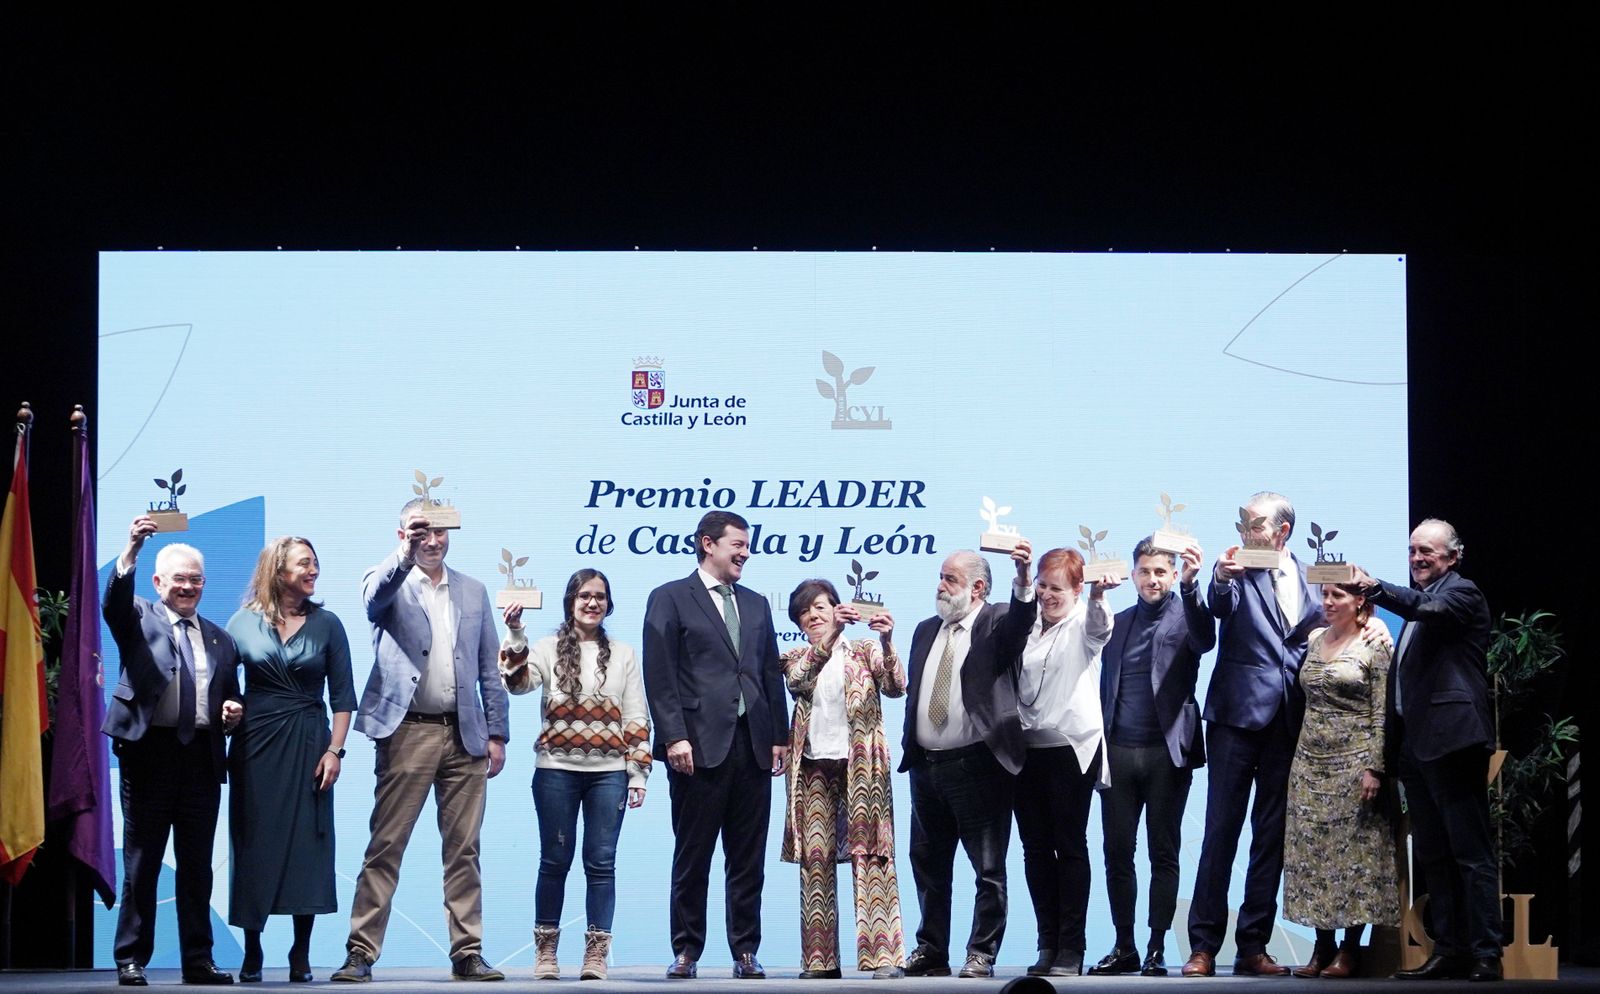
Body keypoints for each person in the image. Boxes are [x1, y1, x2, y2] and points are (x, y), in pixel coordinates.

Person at [330, 503, 510, 983]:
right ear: (404, 534)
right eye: (421, 533)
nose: (433, 541)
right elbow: (374, 599)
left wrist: (497, 732)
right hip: (406, 730)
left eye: (439, 533)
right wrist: (403, 552)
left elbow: (490, 668)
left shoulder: (473, 590)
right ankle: (360, 951)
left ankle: (467, 951)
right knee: (386, 844)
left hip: (465, 735)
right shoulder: (386, 578)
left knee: (464, 850)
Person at [642, 510, 789, 980]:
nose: (745, 552)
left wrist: (779, 737)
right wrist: (673, 737)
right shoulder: (669, 598)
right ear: (708, 544)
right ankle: (687, 950)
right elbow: (659, 675)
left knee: (747, 855)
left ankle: (745, 949)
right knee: (694, 852)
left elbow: (769, 673)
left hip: (752, 745)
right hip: (696, 747)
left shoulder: (756, 603)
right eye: (737, 544)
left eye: (747, 545)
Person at [1353, 519, 1499, 982]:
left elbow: (1425, 608)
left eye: (1428, 552)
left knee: (1470, 853)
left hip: (1454, 742)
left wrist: (1376, 588)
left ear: (1453, 557)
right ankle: (1450, 950)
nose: (1417, 558)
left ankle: (1486, 954)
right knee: (1433, 854)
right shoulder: (1420, 606)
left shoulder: (1461, 594)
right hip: (1417, 750)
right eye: (1413, 550)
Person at [1184, 492, 1323, 978]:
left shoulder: (1312, 577)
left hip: (1290, 721)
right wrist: (1219, 575)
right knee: (1220, 832)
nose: (1247, 529)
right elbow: (1220, 605)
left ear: (1282, 530)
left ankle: (1253, 946)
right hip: (1236, 718)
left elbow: (1330, 632)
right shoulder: (1237, 570)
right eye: (1242, 521)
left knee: (1271, 838)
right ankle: (1202, 946)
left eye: (1257, 523)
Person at [102, 515, 242, 987]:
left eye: (196, 579)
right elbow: (114, 600)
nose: (188, 587)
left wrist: (231, 711)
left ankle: (198, 961)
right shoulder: (138, 616)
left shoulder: (221, 638)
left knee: (197, 866)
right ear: (159, 582)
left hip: (202, 757)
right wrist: (133, 549)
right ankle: (131, 959)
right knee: (142, 862)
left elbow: (232, 693)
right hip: (150, 755)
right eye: (179, 579)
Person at [499, 569, 650, 981]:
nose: (592, 603)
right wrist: (514, 634)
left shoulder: (623, 653)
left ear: (608, 603)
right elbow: (516, 685)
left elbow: (636, 715)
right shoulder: (546, 648)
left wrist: (637, 774)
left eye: (600, 597)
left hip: (609, 775)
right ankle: (546, 953)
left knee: (601, 864)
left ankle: (595, 956)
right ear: (570, 601)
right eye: (584, 595)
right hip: (555, 773)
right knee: (554, 861)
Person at [900, 545, 1035, 980]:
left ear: (977, 588)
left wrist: (1023, 577)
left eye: (950, 579)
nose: (941, 585)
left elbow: (1021, 623)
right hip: (926, 768)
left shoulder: (995, 621)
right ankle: (931, 947)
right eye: (940, 576)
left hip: (978, 766)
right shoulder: (925, 630)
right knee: (929, 864)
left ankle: (981, 952)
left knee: (988, 869)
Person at [226, 536, 355, 983]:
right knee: (253, 845)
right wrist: (230, 710)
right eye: (304, 563)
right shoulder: (242, 623)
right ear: (278, 571)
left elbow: (342, 698)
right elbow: (223, 688)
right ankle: (253, 950)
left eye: (315, 563)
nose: (313, 570)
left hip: (308, 743)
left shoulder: (329, 624)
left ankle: (300, 952)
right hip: (254, 747)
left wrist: (334, 751)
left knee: (309, 847)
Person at [1089, 538, 1213, 978]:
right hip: (1117, 752)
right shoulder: (1118, 623)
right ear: (1135, 573)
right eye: (1145, 571)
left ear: (1174, 571)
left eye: (1161, 571)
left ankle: (1157, 948)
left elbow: (1206, 638)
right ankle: (1125, 946)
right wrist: (1096, 593)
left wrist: (1194, 587)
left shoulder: (1189, 616)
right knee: (1117, 853)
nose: (1152, 579)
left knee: (1164, 852)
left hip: (1167, 754)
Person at [780, 579, 907, 980]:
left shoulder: (865, 651)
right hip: (813, 770)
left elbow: (895, 686)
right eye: (806, 611)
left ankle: (884, 957)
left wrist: (887, 641)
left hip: (862, 769)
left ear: (838, 608)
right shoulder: (796, 655)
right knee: (815, 862)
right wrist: (832, 633)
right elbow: (799, 679)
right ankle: (820, 961)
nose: (814, 615)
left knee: (871, 855)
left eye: (821, 607)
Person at [1282, 581, 1396, 978]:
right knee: (1313, 855)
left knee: (1354, 858)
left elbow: (1382, 710)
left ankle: (1349, 950)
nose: (1328, 603)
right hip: (1310, 763)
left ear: (1359, 600)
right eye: (1324, 595)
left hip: (1355, 762)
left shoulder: (1375, 643)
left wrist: (1375, 767)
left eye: (1338, 596)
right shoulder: (1314, 639)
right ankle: (1322, 948)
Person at [1012, 547, 1116, 978]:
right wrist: (1021, 578)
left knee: (1070, 846)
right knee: (1035, 849)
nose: (1047, 595)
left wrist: (1097, 596)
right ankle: (1046, 942)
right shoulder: (1028, 625)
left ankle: (1072, 948)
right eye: (1042, 585)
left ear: (1075, 589)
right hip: (1026, 749)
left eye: (1057, 588)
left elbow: (1101, 626)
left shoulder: (1084, 624)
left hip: (1073, 749)